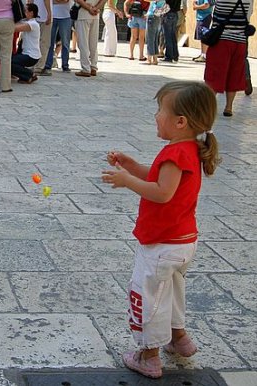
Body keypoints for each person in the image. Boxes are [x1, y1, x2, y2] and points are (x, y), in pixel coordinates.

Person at [102, 81, 220, 379]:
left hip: (160, 244)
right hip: (182, 242)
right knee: (173, 291)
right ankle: (179, 338)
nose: (155, 116)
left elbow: (161, 192)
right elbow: (157, 178)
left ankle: (149, 354)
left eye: (160, 111)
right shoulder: (187, 149)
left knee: (148, 295)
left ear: (180, 122)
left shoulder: (174, 154)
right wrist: (131, 167)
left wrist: (126, 181)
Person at [204, 0, 252, 116]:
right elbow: (249, 14)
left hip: (221, 41)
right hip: (240, 42)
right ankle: (229, 107)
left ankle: (207, 107)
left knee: (215, 74)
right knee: (234, 74)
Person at [12, 3, 41, 84]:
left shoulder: (33, 24)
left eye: (25, 11)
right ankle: (25, 76)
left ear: (31, 13)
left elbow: (14, 28)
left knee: (9, 62)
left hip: (31, 56)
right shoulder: (27, 21)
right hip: (26, 53)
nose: (23, 12)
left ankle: (29, 75)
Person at [74, 0, 103, 77]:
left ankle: (86, 68)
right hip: (95, 15)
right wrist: (96, 8)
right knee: (93, 42)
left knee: (83, 43)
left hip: (83, 13)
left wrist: (89, 8)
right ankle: (93, 66)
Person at [43, 0, 72, 74]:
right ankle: (48, 64)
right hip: (52, 16)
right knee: (50, 42)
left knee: (65, 42)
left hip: (66, 16)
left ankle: (65, 65)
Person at [31, 0, 52, 76]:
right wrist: (49, 13)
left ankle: (33, 65)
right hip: (44, 16)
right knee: (44, 42)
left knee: (34, 42)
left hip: (35, 15)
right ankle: (39, 67)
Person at [145, 0, 167, 65]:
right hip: (157, 17)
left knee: (150, 38)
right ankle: (155, 59)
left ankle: (149, 59)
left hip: (152, 17)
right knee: (154, 39)